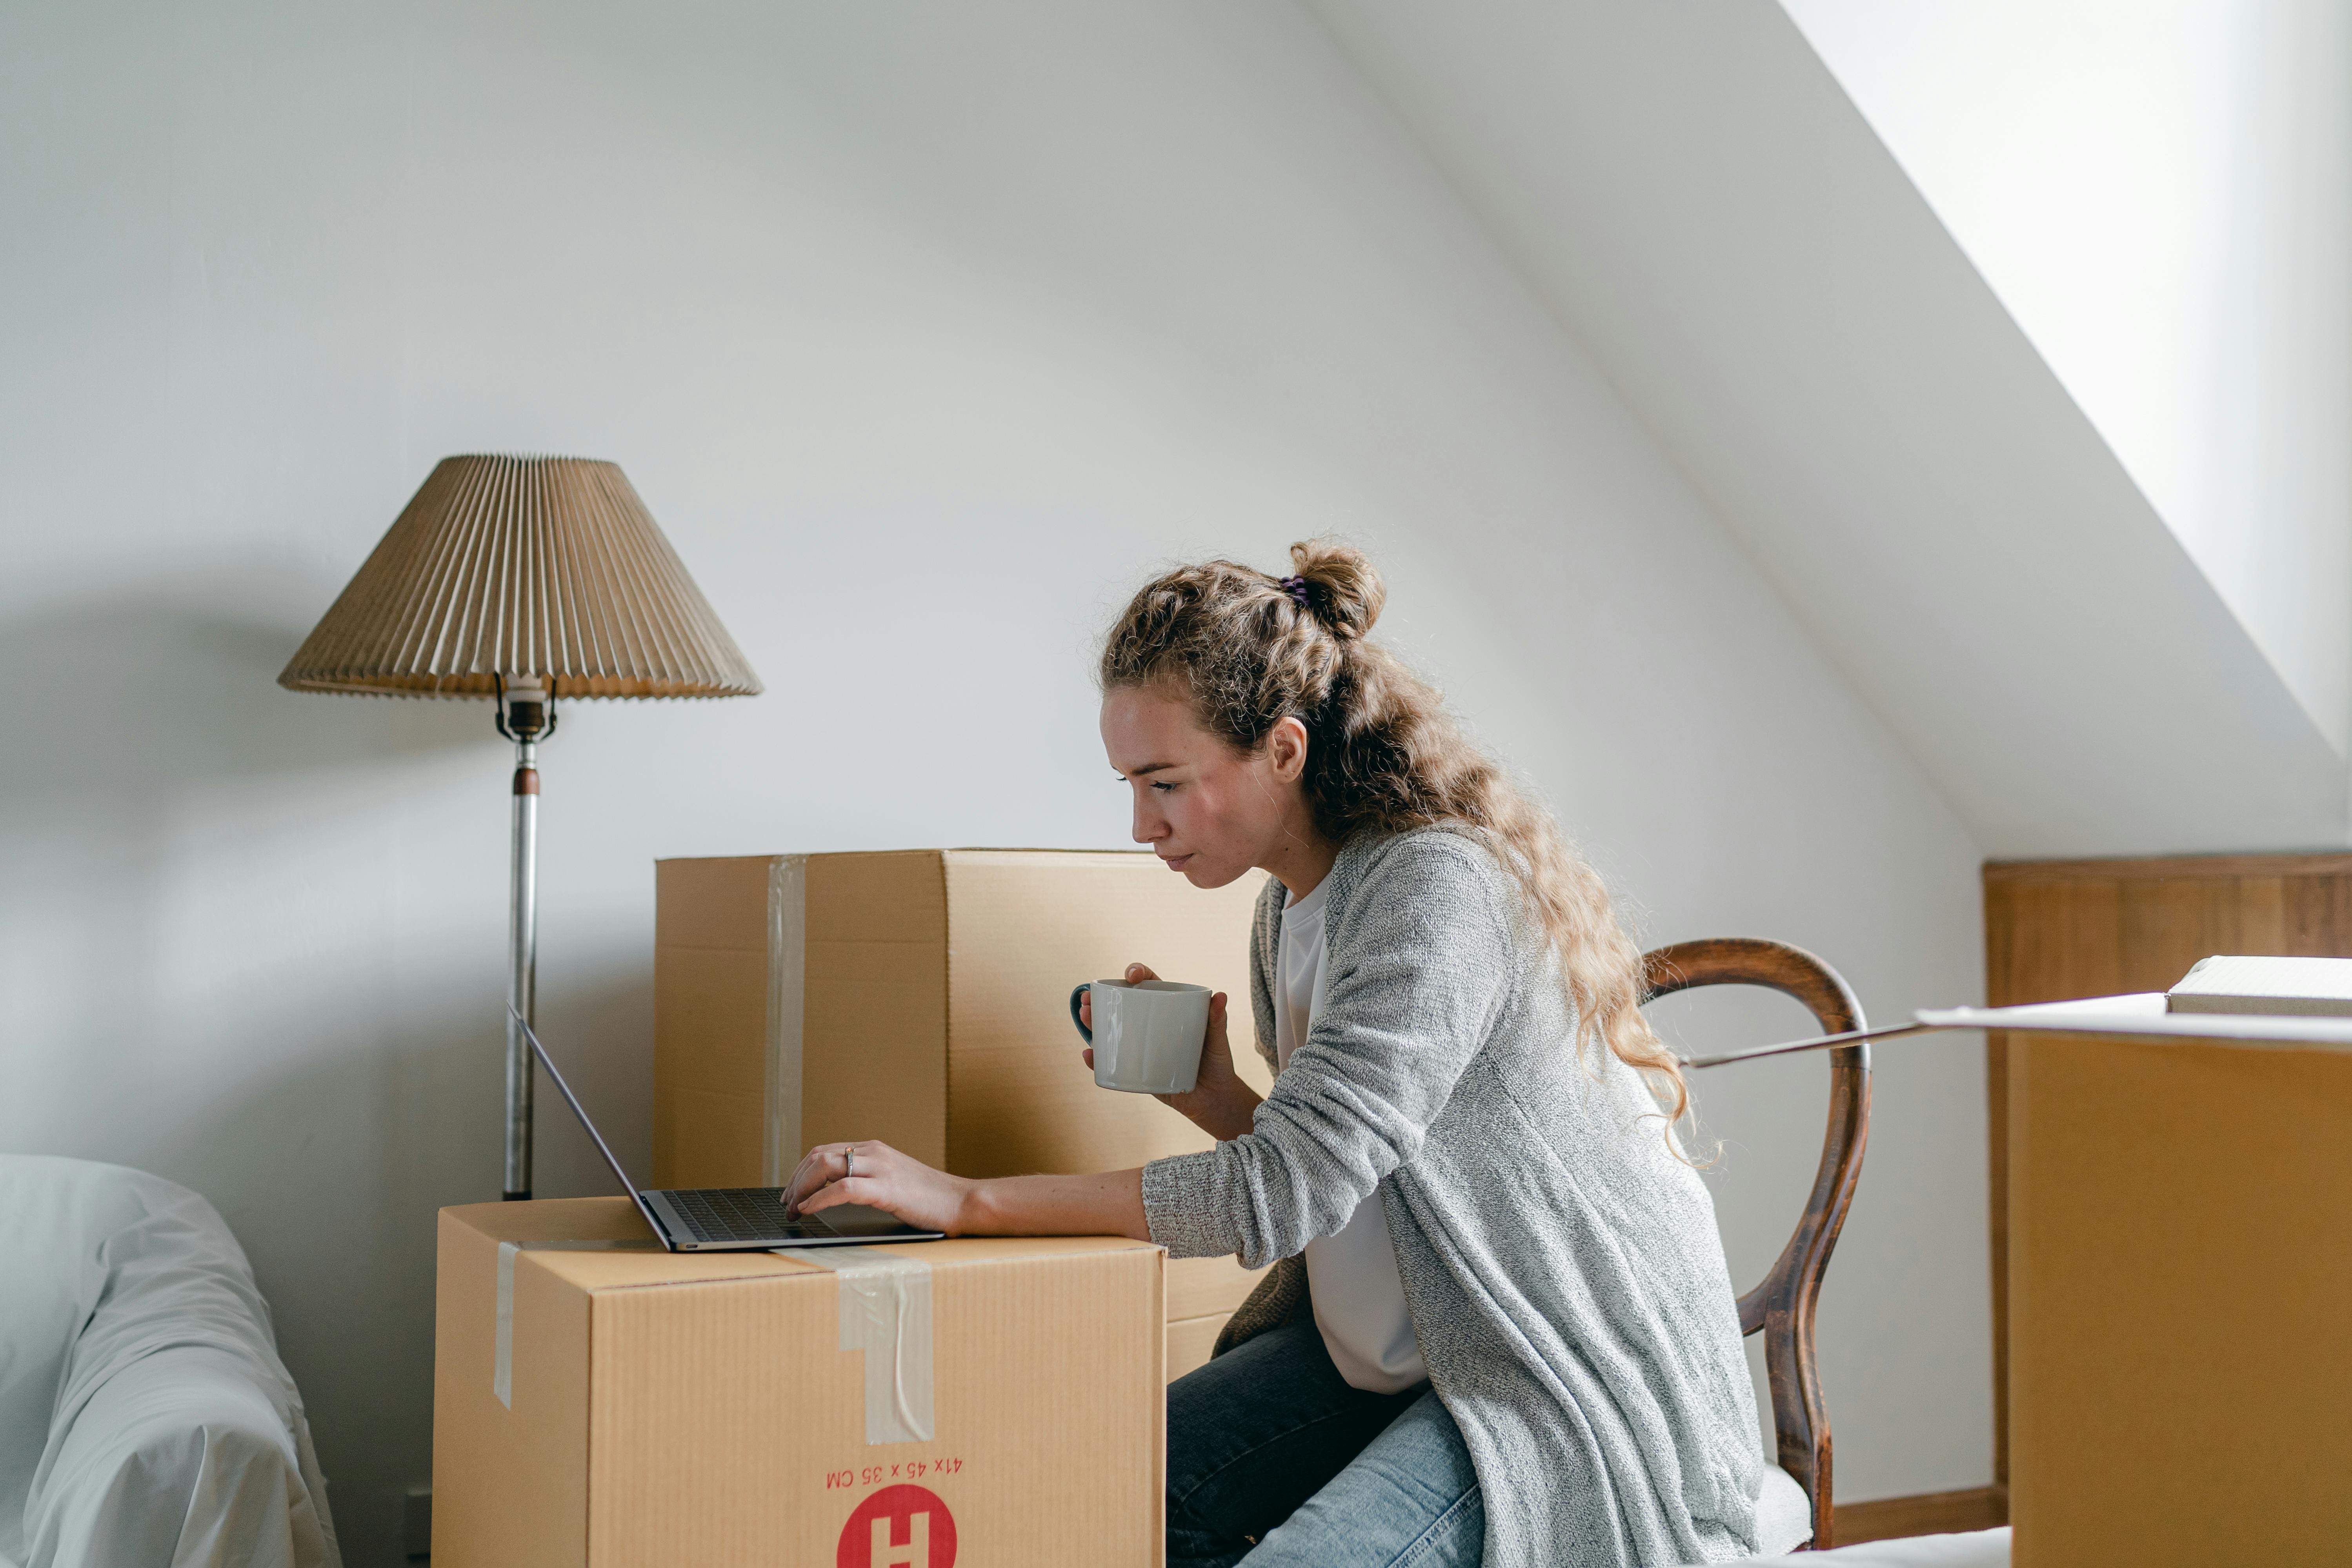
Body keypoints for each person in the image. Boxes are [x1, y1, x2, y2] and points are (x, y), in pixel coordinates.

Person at [786, 542, 1767, 1567]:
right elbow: (1344, 1178)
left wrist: (965, 1201)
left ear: (1284, 752)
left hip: (1547, 1361)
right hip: (1416, 1333)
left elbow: (1279, 1195)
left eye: (1165, 783)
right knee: (1101, 1497)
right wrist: (1214, 1094)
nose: (1140, 825)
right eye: (1129, 783)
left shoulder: (1432, 888)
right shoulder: (1286, 904)